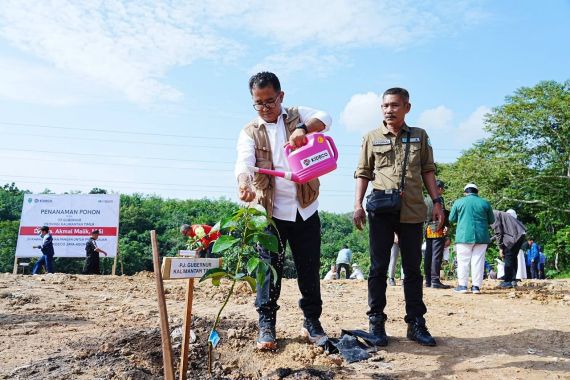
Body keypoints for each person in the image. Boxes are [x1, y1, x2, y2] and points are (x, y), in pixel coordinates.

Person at [235, 71, 332, 350]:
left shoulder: (296, 115)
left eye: (270, 101)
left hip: (305, 208)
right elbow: (243, 162)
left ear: (281, 96)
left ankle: (312, 322)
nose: (265, 108)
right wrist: (243, 183)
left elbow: (327, 117)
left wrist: (304, 128)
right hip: (270, 212)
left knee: (309, 268)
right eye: (259, 103)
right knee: (268, 269)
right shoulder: (249, 131)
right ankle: (266, 325)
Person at [353, 87, 442, 347]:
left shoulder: (419, 136)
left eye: (394, 105)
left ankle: (416, 324)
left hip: (413, 210)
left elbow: (428, 170)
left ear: (407, 108)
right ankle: (377, 322)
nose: (389, 110)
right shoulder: (371, 137)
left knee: (413, 269)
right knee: (378, 268)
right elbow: (363, 172)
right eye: (385, 106)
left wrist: (437, 201)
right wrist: (358, 204)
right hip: (381, 210)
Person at [449, 183, 495, 294]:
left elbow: (451, 218)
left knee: (463, 261)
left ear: (465, 192)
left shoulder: (459, 202)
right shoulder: (485, 203)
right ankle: (476, 287)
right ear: (477, 192)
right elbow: (492, 220)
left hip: (464, 236)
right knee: (478, 261)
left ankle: (463, 286)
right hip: (482, 236)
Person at [423, 179, 451, 289]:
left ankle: (428, 280)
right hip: (437, 227)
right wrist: (446, 228)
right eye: (442, 189)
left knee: (429, 254)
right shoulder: (438, 199)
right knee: (436, 254)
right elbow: (442, 214)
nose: (443, 191)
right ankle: (435, 280)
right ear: (439, 189)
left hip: (427, 227)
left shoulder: (425, 199)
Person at [490, 209, 526, 288]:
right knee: (513, 257)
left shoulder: (493, 215)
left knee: (508, 257)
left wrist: (500, 247)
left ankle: (508, 281)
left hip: (514, 235)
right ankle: (512, 279)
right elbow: (501, 232)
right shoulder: (498, 213)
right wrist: (490, 240)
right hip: (520, 233)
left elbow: (499, 232)